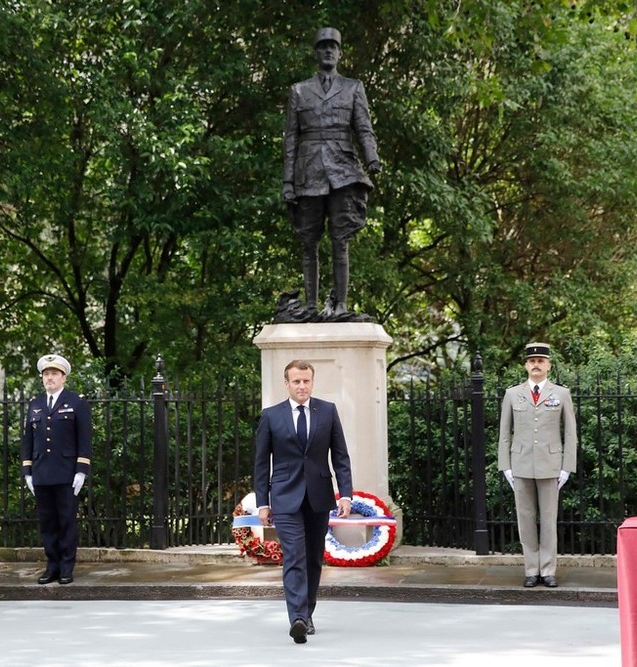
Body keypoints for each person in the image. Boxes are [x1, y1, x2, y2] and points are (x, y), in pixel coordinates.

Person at [282, 27, 381, 319]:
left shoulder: (353, 87)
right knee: (308, 240)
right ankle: (311, 306)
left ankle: (340, 305)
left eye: (332, 47)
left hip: (343, 169)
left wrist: (372, 157)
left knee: (341, 239)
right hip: (308, 170)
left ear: (339, 53)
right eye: (322, 47)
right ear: (315, 53)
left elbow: (363, 127)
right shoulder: (299, 90)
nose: (327, 51)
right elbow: (291, 139)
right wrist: (287, 182)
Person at [253, 360, 353, 643]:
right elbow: (261, 463)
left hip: (319, 496)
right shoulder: (271, 416)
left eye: (306, 381)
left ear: (312, 382)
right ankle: (296, 617)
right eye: (296, 381)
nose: (302, 386)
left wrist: (345, 494)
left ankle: (307, 612)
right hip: (284, 497)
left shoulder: (328, 411)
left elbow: (341, 457)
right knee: (294, 555)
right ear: (286, 383)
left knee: (313, 558)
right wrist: (263, 502)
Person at [497, 342, 577, 588]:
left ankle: (548, 570)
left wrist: (567, 467)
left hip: (550, 465)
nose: (536, 365)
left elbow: (571, 433)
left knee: (549, 519)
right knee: (526, 519)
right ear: (525, 365)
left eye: (541, 361)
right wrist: (505, 466)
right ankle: (531, 570)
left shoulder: (561, 394)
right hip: (520, 464)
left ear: (548, 366)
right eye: (532, 361)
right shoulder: (512, 394)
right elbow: (504, 433)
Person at [21, 354, 91, 585]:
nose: (49, 378)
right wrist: (27, 471)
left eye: (54, 374)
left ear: (64, 377)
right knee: (47, 522)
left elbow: (84, 438)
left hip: (66, 472)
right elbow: (28, 440)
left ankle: (66, 567)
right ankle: (51, 565)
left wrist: (81, 470)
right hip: (42, 472)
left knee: (66, 521)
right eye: (46, 374)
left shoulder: (76, 402)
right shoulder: (35, 404)